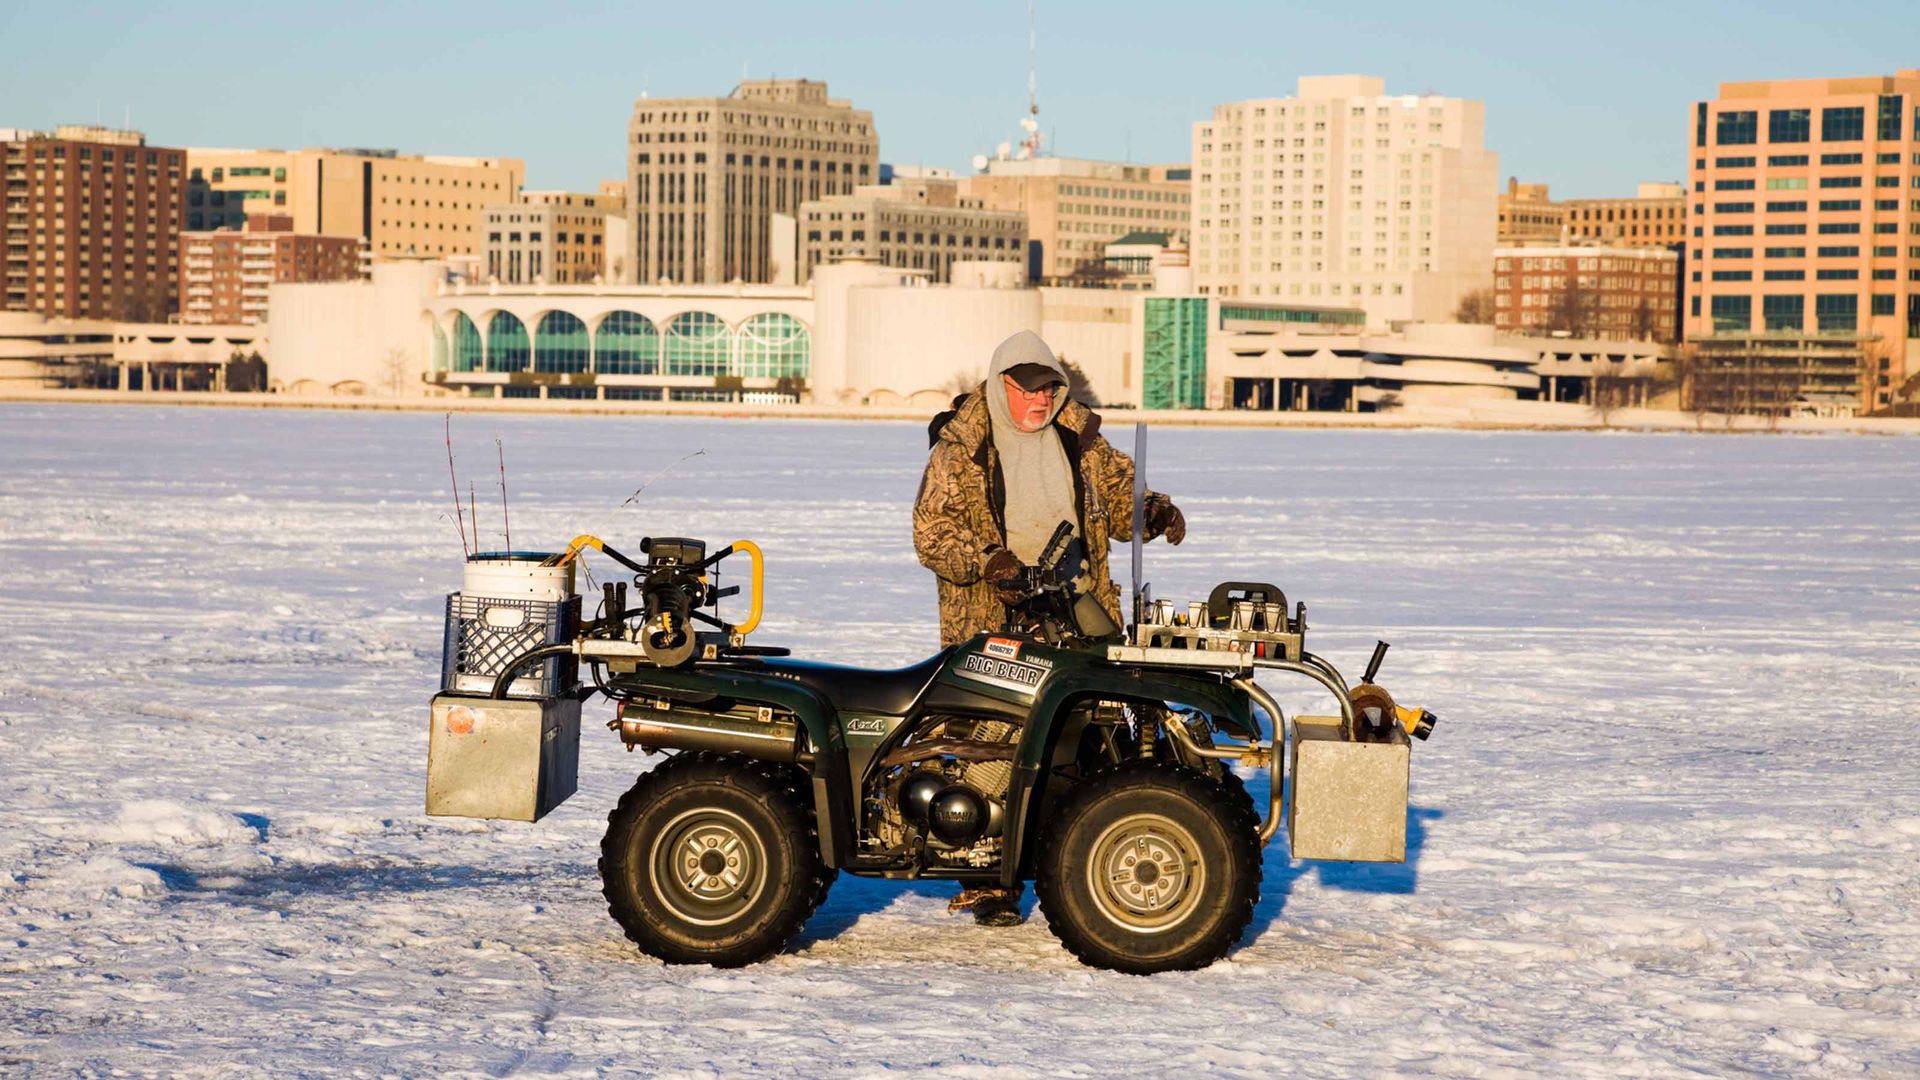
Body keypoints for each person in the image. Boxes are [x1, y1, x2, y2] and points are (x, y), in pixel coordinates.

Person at [912, 330, 1185, 926]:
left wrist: (1152, 510)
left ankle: (1084, 863)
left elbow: (1122, 497)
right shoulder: (961, 447)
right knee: (992, 747)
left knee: (1086, 736)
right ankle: (987, 882)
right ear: (1000, 384)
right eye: (1030, 390)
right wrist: (990, 562)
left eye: (1050, 388)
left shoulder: (1077, 436)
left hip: (1079, 612)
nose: (1041, 400)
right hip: (993, 619)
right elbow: (931, 534)